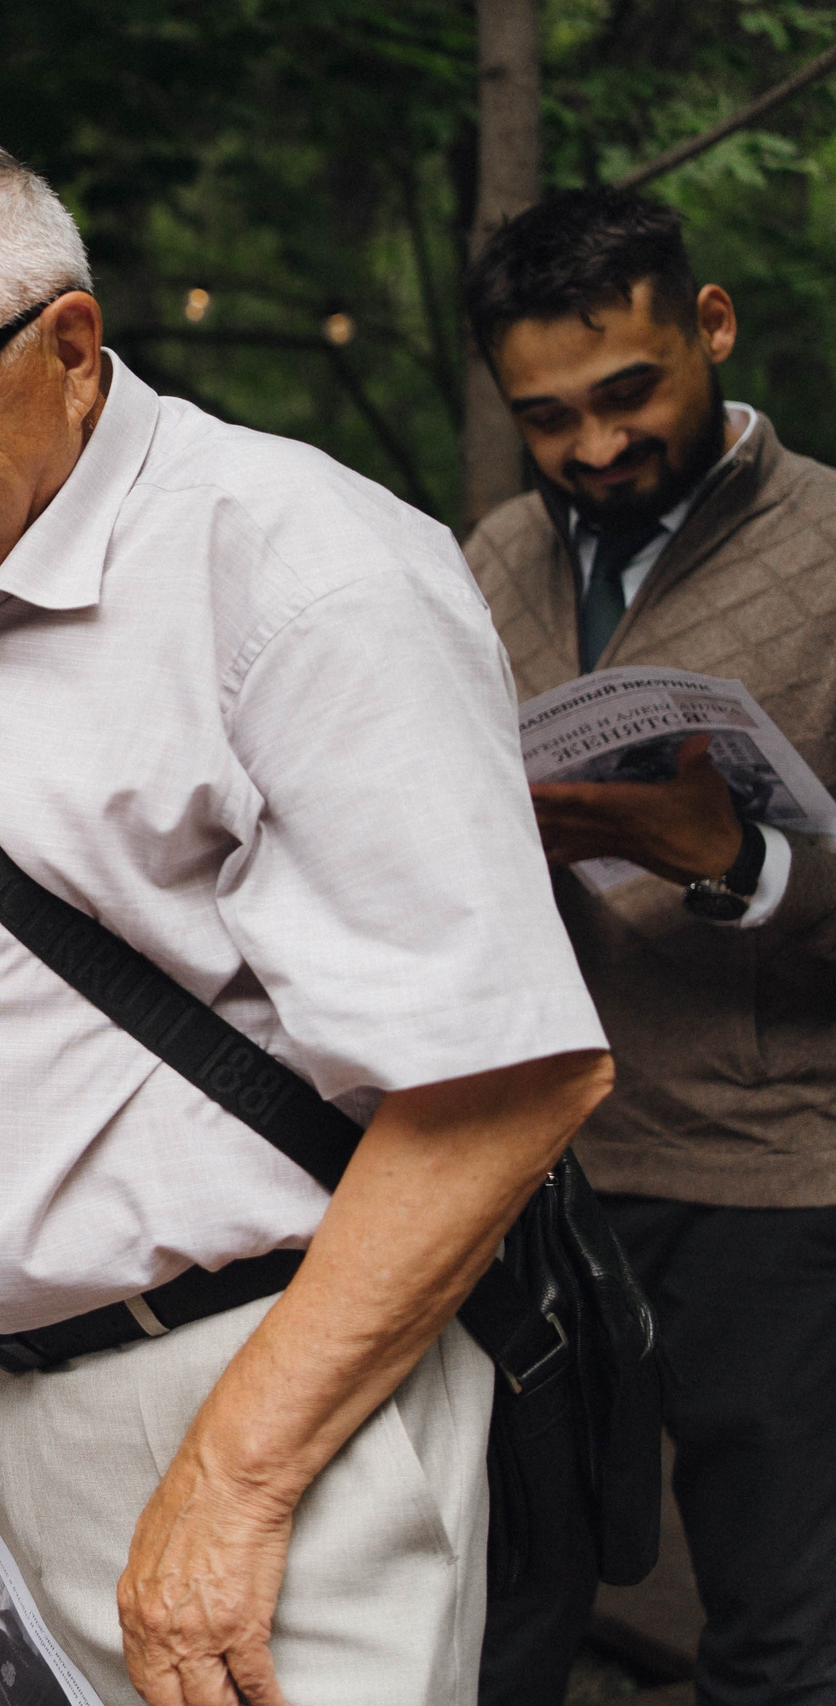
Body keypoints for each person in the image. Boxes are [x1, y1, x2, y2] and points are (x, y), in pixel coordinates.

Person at [0, 138, 615, 1706]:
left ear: (69, 350)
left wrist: (233, 1483)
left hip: (269, 1403)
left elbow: (508, 1081)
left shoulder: (300, 570)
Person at [460, 187, 836, 1706]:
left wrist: (736, 860)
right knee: (502, 1611)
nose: (597, 445)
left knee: (782, 1636)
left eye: (628, 393)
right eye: (547, 418)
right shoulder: (489, 558)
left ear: (712, 326)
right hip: (529, 1167)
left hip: (773, 1174)